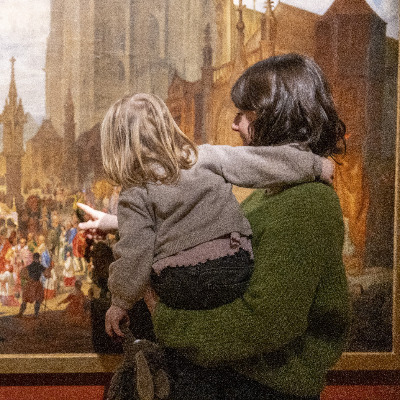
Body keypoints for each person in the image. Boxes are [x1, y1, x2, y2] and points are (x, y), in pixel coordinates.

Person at [79, 54, 350, 400]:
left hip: (260, 389)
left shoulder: (307, 203)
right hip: (234, 381)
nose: (234, 125)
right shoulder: (273, 193)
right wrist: (115, 222)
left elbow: (262, 324)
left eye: (244, 115)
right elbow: (192, 228)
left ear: (277, 117)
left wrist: (161, 314)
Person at [97, 91, 333, 339]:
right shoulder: (203, 156)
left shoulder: (134, 191)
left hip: (178, 280)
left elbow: (135, 251)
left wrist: (120, 302)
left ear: (116, 146)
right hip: (234, 266)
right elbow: (260, 164)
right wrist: (316, 166)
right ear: (167, 126)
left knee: (149, 299)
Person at [17, 252, 50, 318]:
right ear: (36, 258)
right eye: (37, 258)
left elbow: (22, 273)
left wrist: (28, 278)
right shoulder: (39, 266)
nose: (37, 259)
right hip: (35, 284)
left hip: (32, 283)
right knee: (33, 299)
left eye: (36, 258)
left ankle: (24, 313)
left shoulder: (33, 266)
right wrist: (48, 271)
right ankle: (33, 314)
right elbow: (47, 275)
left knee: (29, 299)